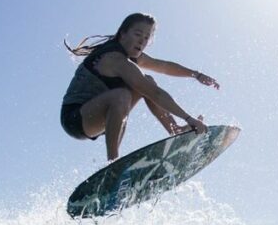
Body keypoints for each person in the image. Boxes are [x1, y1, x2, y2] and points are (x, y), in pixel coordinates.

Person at [60, 13, 219, 161]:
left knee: (146, 80)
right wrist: (189, 118)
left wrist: (196, 75)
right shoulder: (115, 59)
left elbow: (163, 66)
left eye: (146, 37)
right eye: (137, 34)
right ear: (123, 34)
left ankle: (174, 130)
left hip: (105, 116)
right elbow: (155, 94)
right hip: (76, 119)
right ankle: (112, 163)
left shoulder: (134, 58)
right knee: (123, 95)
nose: (142, 41)